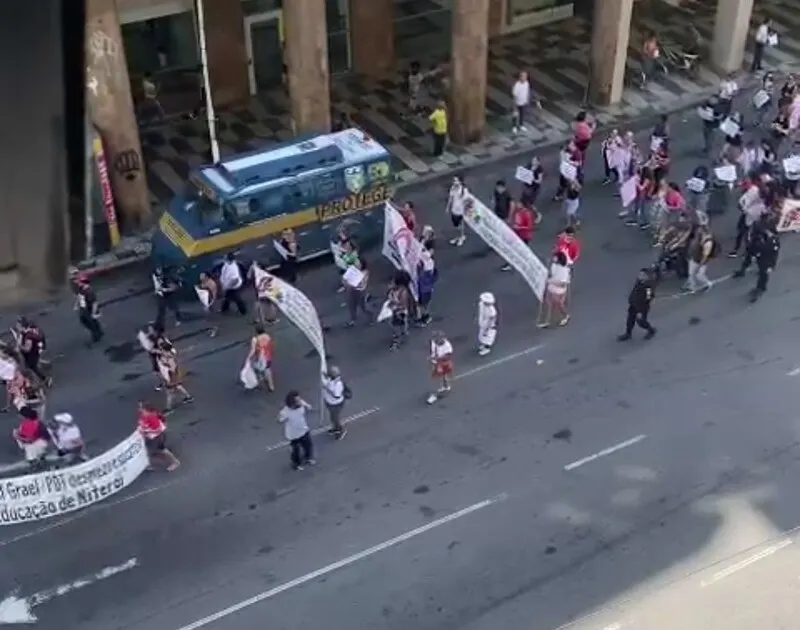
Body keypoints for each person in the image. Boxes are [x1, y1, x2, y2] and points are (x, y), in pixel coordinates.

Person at [733, 216, 780, 302]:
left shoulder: (774, 241)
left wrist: (772, 265)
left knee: (763, 274)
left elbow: (774, 254)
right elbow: (754, 238)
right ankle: (742, 271)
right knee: (747, 260)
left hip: (765, 260)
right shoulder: (761, 233)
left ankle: (760, 289)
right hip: (755, 251)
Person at [137, 402, 180, 472]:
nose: (139, 409)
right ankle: (148, 463)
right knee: (147, 449)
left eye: (140, 407)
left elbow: (158, 429)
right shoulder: (143, 415)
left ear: (146, 409)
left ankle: (175, 462)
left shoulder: (150, 416)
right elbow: (143, 424)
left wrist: (146, 432)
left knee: (162, 450)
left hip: (157, 437)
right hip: (150, 437)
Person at [278, 390, 315, 471]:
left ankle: (308, 458)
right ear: (292, 403)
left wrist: (308, 406)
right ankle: (296, 464)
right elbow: (280, 420)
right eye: (297, 401)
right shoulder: (285, 412)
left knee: (308, 446)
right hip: (293, 435)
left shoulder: (301, 403)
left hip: (304, 430)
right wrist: (281, 418)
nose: (300, 401)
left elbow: (308, 406)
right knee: (295, 451)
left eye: (299, 399)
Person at [618, 268, 657, 341]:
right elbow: (635, 291)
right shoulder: (638, 282)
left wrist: (641, 310)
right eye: (640, 274)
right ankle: (628, 333)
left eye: (642, 275)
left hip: (642, 307)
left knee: (642, 322)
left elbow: (648, 298)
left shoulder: (648, 286)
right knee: (630, 320)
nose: (640, 276)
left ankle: (651, 330)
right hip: (633, 304)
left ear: (647, 276)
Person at [537, 251, 571, 328]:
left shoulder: (564, 270)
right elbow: (552, 274)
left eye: (555, 257)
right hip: (551, 288)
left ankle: (565, 316)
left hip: (558, 291)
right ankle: (547, 321)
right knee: (549, 304)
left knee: (559, 305)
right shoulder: (554, 265)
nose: (553, 258)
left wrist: (550, 281)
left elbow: (562, 283)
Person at [684, 223, 716, 293]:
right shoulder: (698, 236)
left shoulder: (708, 242)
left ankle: (708, 284)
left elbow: (705, 255)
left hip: (700, 260)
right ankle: (692, 286)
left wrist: (701, 263)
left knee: (699, 275)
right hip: (694, 257)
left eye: (699, 229)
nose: (698, 231)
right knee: (691, 273)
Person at [387, 271, 413, 350]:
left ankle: (397, 340)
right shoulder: (394, 289)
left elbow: (403, 304)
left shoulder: (403, 292)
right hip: (395, 310)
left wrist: (394, 306)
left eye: (393, 281)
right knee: (400, 324)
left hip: (399, 312)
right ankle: (404, 332)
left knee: (395, 325)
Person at [74, 274, 103, 344]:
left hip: (89, 310)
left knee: (91, 322)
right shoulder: (81, 288)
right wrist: (76, 304)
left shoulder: (89, 292)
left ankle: (97, 335)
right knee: (84, 320)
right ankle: (98, 331)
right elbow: (79, 296)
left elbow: (94, 303)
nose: (78, 284)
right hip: (83, 309)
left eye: (79, 282)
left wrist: (93, 313)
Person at [504, 201, 534, 271]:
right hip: (517, 234)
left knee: (520, 251)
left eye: (518, 204)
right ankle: (511, 263)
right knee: (514, 249)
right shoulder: (517, 212)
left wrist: (519, 227)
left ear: (522, 205)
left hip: (524, 236)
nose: (517, 205)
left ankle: (522, 263)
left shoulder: (527, 214)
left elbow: (529, 227)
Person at [427, 331, 454, 405]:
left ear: (442, 338)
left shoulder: (447, 346)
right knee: (443, 376)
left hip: (442, 363)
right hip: (436, 362)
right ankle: (446, 386)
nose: (435, 342)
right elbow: (432, 350)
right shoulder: (434, 341)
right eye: (435, 340)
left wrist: (435, 358)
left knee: (436, 379)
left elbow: (447, 356)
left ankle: (435, 395)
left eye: (437, 340)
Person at [321, 366, 347, 439]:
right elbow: (328, 380)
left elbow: (337, 396)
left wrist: (327, 389)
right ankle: (335, 428)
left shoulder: (338, 384)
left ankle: (340, 430)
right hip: (330, 402)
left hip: (336, 404)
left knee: (335, 419)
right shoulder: (331, 379)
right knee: (332, 418)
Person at [247, 324, 275, 392]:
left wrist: (249, 357)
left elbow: (253, 350)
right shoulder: (267, 336)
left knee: (255, 367)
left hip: (259, 357)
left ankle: (261, 378)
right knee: (268, 369)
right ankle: (271, 386)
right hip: (268, 355)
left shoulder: (255, 339)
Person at [416, 248, 437, 326]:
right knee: (425, 304)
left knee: (421, 304)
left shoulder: (423, 275)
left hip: (423, 291)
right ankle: (425, 316)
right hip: (427, 290)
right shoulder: (430, 272)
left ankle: (422, 318)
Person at [446, 175, 468, 247]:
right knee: (455, 225)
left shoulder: (463, 190)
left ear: (460, 181)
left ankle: (461, 237)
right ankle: (458, 237)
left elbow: (466, 201)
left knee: (460, 225)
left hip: (461, 211)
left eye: (456, 180)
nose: (454, 182)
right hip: (454, 209)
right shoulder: (453, 188)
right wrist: (447, 207)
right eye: (454, 180)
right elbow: (450, 198)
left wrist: (465, 210)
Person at [196, 271, 219, 337]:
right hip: (205, 302)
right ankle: (211, 328)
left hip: (211, 303)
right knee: (208, 318)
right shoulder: (203, 282)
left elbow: (214, 296)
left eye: (202, 276)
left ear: (206, 276)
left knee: (212, 318)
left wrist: (210, 304)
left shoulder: (211, 284)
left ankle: (214, 329)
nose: (200, 277)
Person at [477, 292, 497, 356]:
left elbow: (491, 321)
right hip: (483, 322)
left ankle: (487, 348)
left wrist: (487, 329)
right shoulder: (481, 304)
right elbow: (481, 313)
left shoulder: (492, 312)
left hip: (489, 325)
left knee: (488, 337)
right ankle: (483, 345)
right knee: (481, 335)